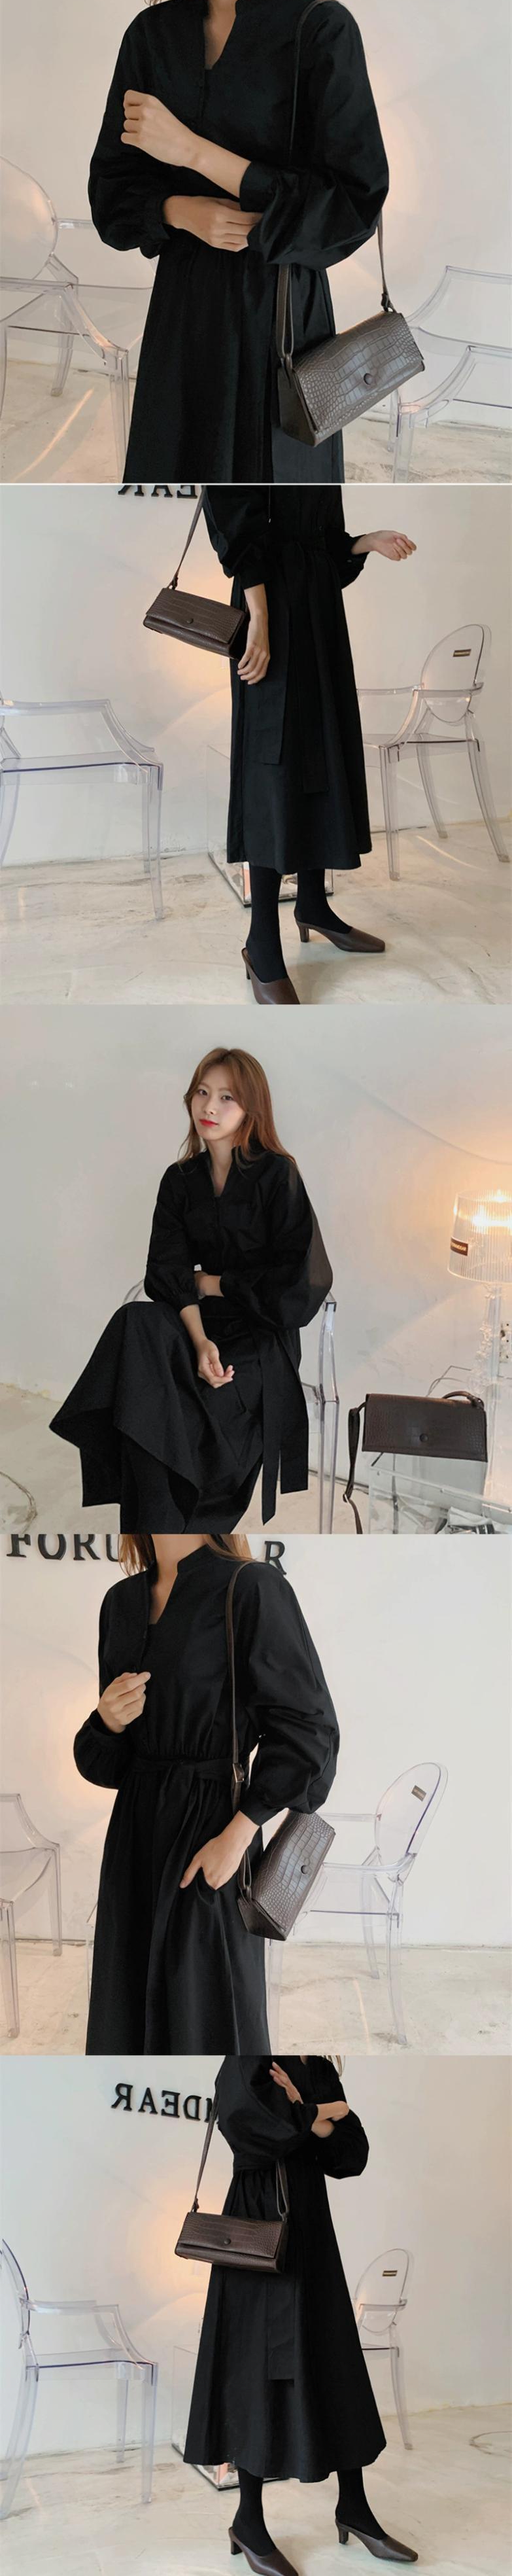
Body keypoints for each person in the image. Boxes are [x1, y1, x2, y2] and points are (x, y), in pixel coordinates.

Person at [88, 0, 389, 482]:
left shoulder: (319, 28)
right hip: (183, 311)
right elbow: (111, 192)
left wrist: (195, 153)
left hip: (280, 312)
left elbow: (351, 204)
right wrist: (176, 210)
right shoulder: (153, 36)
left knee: (281, 496)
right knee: (170, 487)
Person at [73, 1534, 338, 2051]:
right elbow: (109, 1765)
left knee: (207, 2007)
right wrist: (107, 1721)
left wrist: (238, 1835)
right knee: (125, 1999)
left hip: (212, 1828)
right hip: (133, 1834)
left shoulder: (251, 1587)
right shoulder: (120, 1602)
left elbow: (309, 1728)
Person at [50, 1048, 332, 1528]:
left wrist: (214, 1283)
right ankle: (157, 1528)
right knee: (135, 1324)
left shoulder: (276, 1174)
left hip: (260, 1335)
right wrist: (200, 1342)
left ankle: (172, 1528)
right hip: (197, 1322)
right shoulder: (180, 1180)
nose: (210, 1107)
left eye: (227, 1097)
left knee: (169, 1408)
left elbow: (297, 1285)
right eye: (202, 1092)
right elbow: (166, 1271)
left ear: (251, 1108)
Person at [184, 2055, 418, 2571]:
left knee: (330, 2357)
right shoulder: (252, 2051)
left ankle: (354, 2507)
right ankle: (248, 2520)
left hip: (310, 2227)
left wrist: (304, 2110)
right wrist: (321, 2113)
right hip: (259, 2223)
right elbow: (251, 2129)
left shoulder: (319, 2065)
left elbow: (351, 2154)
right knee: (257, 2367)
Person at [204, 485, 416, 999]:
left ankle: (313, 906)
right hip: (267, 608)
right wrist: (259, 619)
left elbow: (326, 545)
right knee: (272, 764)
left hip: (319, 614)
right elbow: (235, 525)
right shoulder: (255, 448)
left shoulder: (317, 446)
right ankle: (261, 941)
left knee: (321, 751)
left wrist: (366, 542)